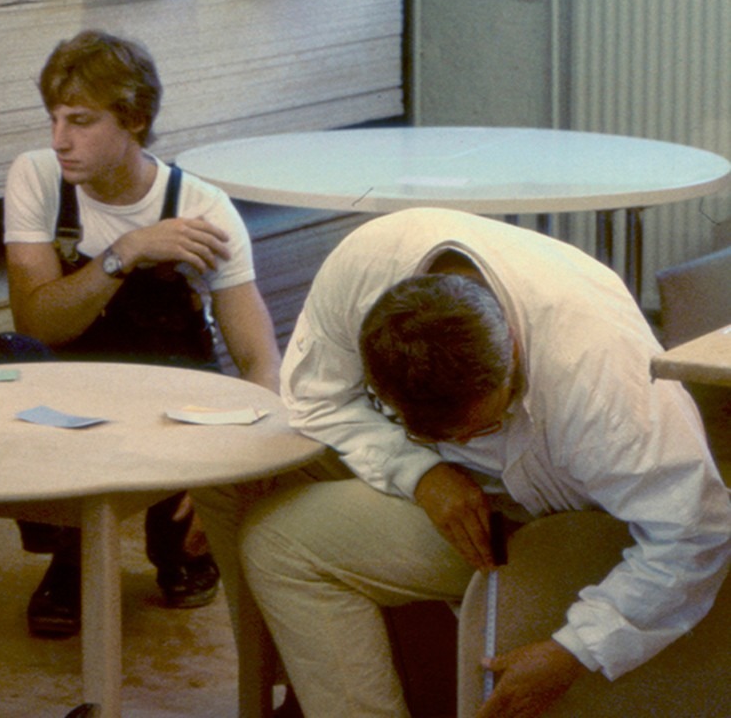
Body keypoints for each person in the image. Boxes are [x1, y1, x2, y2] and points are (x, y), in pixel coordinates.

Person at [237, 207, 731, 718]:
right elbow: (315, 399)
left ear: (512, 350)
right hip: (472, 496)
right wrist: (420, 471)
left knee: (279, 540)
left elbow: (698, 531)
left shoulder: (603, 382)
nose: (470, 440)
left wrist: (578, 649)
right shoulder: (365, 268)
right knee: (269, 524)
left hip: (587, 525)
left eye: (485, 427)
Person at [0, 29, 282, 637]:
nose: (60, 140)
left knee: (187, 560)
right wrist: (127, 250)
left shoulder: (201, 207)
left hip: (170, 396)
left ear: (133, 119)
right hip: (72, 390)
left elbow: (257, 357)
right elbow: (37, 322)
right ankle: (71, 547)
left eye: (81, 121)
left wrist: (234, 467)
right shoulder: (37, 179)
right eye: (53, 119)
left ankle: (181, 541)